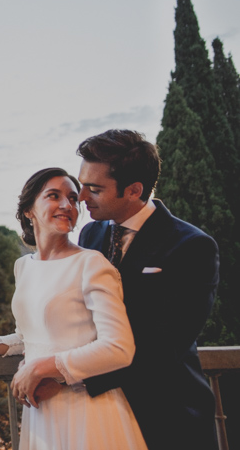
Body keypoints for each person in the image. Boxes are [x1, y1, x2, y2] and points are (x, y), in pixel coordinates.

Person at [0, 167, 148, 450]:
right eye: (54, 196)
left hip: (87, 410)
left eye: (73, 199)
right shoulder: (23, 266)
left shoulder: (92, 263)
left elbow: (118, 348)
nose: (67, 205)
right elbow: (28, 338)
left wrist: (40, 368)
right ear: (28, 209)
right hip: (41, 413)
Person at [75, 129, 219, 450]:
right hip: (99, 417)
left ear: (134, 190)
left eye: (94, 189)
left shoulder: (192, 247)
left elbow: (164, 348)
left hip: (168, 418)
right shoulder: (89, 236)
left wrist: (73, 376)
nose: (82, 197)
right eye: (82, 184)